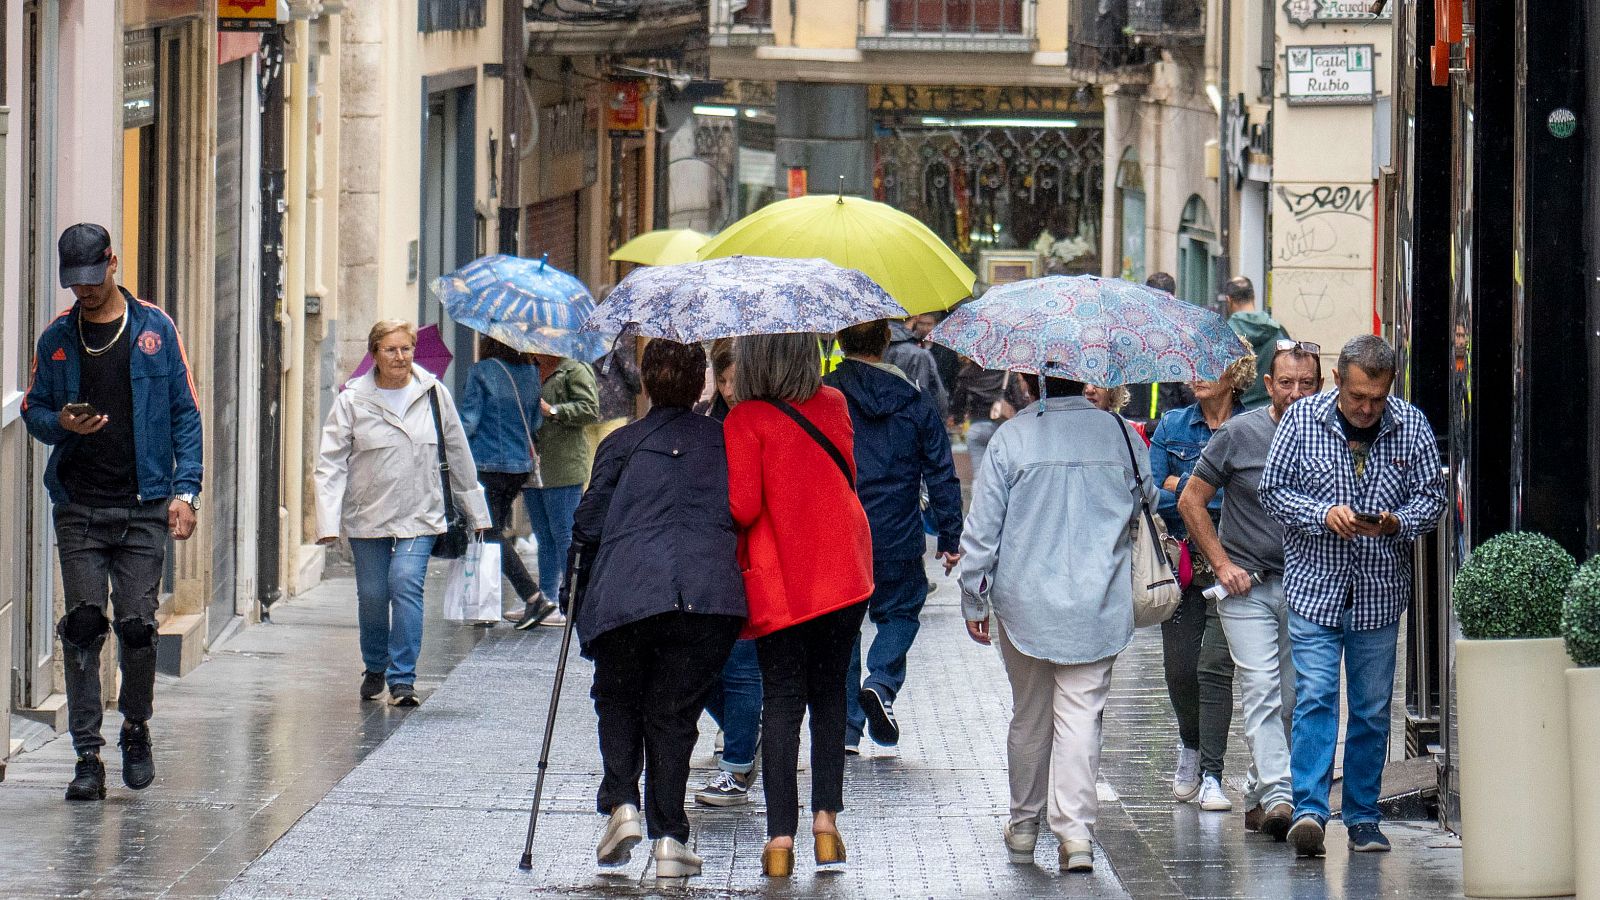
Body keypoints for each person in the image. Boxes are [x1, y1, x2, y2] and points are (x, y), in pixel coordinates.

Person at [22, 223, 203, 801]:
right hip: (79, 504)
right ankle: (86, 756)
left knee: (138, 629)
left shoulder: (154, 329)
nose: (86, 292)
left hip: (145, 505)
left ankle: (135, 726)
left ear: (114, 264)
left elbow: (186, 414)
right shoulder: (57, 339)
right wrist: (60, 425)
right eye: (75, 284)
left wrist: (186, 491)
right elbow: (33, 409)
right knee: (81, 627)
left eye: (94, 280)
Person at [960, 372, 1154, 874]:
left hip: (1025, 602)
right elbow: (1147, 506)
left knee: (1030, 714)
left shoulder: (1013, 437)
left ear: (1030, 381)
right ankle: (1075, 835)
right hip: (1100, 600)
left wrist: (973, 599)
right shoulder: (1123, 436)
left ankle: (1024, 825)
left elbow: (982, 531)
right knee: (1081, 716)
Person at [1259, 334, 1445, 857]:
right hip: (1315, 588)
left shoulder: (1411, 426)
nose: (1366, 408)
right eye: (1358, 396)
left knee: (1369, 708)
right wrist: (1323, 515)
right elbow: (1272, 492)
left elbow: (1431, 501)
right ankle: (1310, 811)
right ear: (1338, 380)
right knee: (1316, 696)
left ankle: (1363, 816)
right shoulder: (1301, 421)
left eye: (1377, 398)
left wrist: (1393, 523)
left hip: (1379, 592)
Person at [570, 339, 746, 883]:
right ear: (701, 385)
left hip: (627, 589)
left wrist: (574, 597)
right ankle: (669, 837)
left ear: (644, 383)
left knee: (617, 694)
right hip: (706, 594)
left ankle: (623, 801)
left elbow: (588, 525)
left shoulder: (621, 444)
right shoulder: (726, 441)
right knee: (674, 715)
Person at [723, 333, 873, 878]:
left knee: (783, 701)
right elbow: (847, 475)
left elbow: (742, 507)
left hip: (783, 579)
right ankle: (826, 826)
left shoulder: (744, 420)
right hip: (843, 569)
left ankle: (779, 840)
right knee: (831, 695)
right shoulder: (833, 403)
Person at [1176, 341, 1324, 841]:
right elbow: (1191, 499)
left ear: (1320, 386)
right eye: (1286, 382)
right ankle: (1283, 794)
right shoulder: (1241, 433)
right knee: (1261, 688)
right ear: (1268, 385)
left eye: (1306, 383)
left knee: (1290, 697)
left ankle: (1260, 793)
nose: (1296, 392)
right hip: (1247, 588)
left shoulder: (1330, 436)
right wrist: (1220, 563)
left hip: (1307, 585)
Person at [315, 320, 491, 707]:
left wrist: (475, 510)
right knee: (373, 595)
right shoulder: (352, 400)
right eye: (391, 350)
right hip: (368, 515)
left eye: (406, 349)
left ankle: (403, 678)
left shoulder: (433, 394)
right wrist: (328, 522)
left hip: (421, 512)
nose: (400, 357)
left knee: (406, 584)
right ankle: (375, 664)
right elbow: (330, 463)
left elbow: (458, 452)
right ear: (374, 353)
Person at [824, 320, 963, 754]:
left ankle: (846, 730)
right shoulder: (914, 402)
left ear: (841, 342)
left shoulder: (823, 397)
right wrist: (949, 534)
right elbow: (941, 470)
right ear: (886, 342)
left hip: (839, 531)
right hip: (897, 531)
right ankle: (881, 683)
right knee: (901, 611)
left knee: (843, 627)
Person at [1149, 355, 1254, 813]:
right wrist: (1207, 488)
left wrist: (1189, 485)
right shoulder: (1173, 425)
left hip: (1235, 559)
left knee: (1214, 668)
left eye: (1208, 367)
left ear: (1237, 375)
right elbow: (1154, 490)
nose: (1195, 375)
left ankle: (1212, 772)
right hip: (1183, 561)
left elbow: (1253, 494)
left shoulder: (1252, 426)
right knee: (1180, 668)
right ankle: (1189, 744)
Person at [695, 339, 765, 808]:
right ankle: (745, 731)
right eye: (723, 380)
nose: (730, 389)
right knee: (697, 664)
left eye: (737, 380)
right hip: (710, 554)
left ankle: (737, 762)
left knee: (741, 664)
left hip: (752, 557)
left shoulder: (763, 424)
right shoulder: (708, 425)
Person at [457, 335, 558, 628]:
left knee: (487, 531)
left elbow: (470, 421)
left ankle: (533, 596)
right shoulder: (531, 373)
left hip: (486, 463)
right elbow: (536, 422)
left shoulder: (482, 371)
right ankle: (489, 604)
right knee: (493, 530)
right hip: (519, 466)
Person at [523, 352, 600, 627]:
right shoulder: (528, 369)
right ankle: (546, 600)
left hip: (563, 465)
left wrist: (554, 410)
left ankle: (572, 599)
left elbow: (591, 408)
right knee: (543, 536)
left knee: (564, 535)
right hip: (533, 465)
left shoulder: (574, 369)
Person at [1127, 272, 1197, 423]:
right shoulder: (1181, 335)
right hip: (1166, 423)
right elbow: (1187, 389)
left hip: (1130, 421)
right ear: (1172, 297)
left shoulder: (1128, 330)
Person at [949, 359, 1030, 471]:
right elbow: (1018, 402)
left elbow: (959, 401)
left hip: (977, 426)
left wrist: (958, 419)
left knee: (979, 472)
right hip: (1002, 427)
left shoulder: (967, 373)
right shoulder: (1006, 372)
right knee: (1003, 472)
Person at [1223, 276, 1291, 411]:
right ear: (1253, 297)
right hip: (1273, 412)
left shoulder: (1223, 335)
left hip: (1237, 414)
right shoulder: (1278, 332)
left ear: (1228, 300)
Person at [587, 329, 641, 457]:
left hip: (587, 403)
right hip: (613, 405)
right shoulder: (613, 334)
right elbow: (627, 368)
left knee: (589, 465)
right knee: (609, 459)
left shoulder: (580, 333)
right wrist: (639, 385)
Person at [885, 317, 947, 418]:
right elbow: (935, 393)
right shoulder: (919, 354)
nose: (925, 327)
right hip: (912, 419)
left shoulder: (872, 349)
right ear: (914, 319)